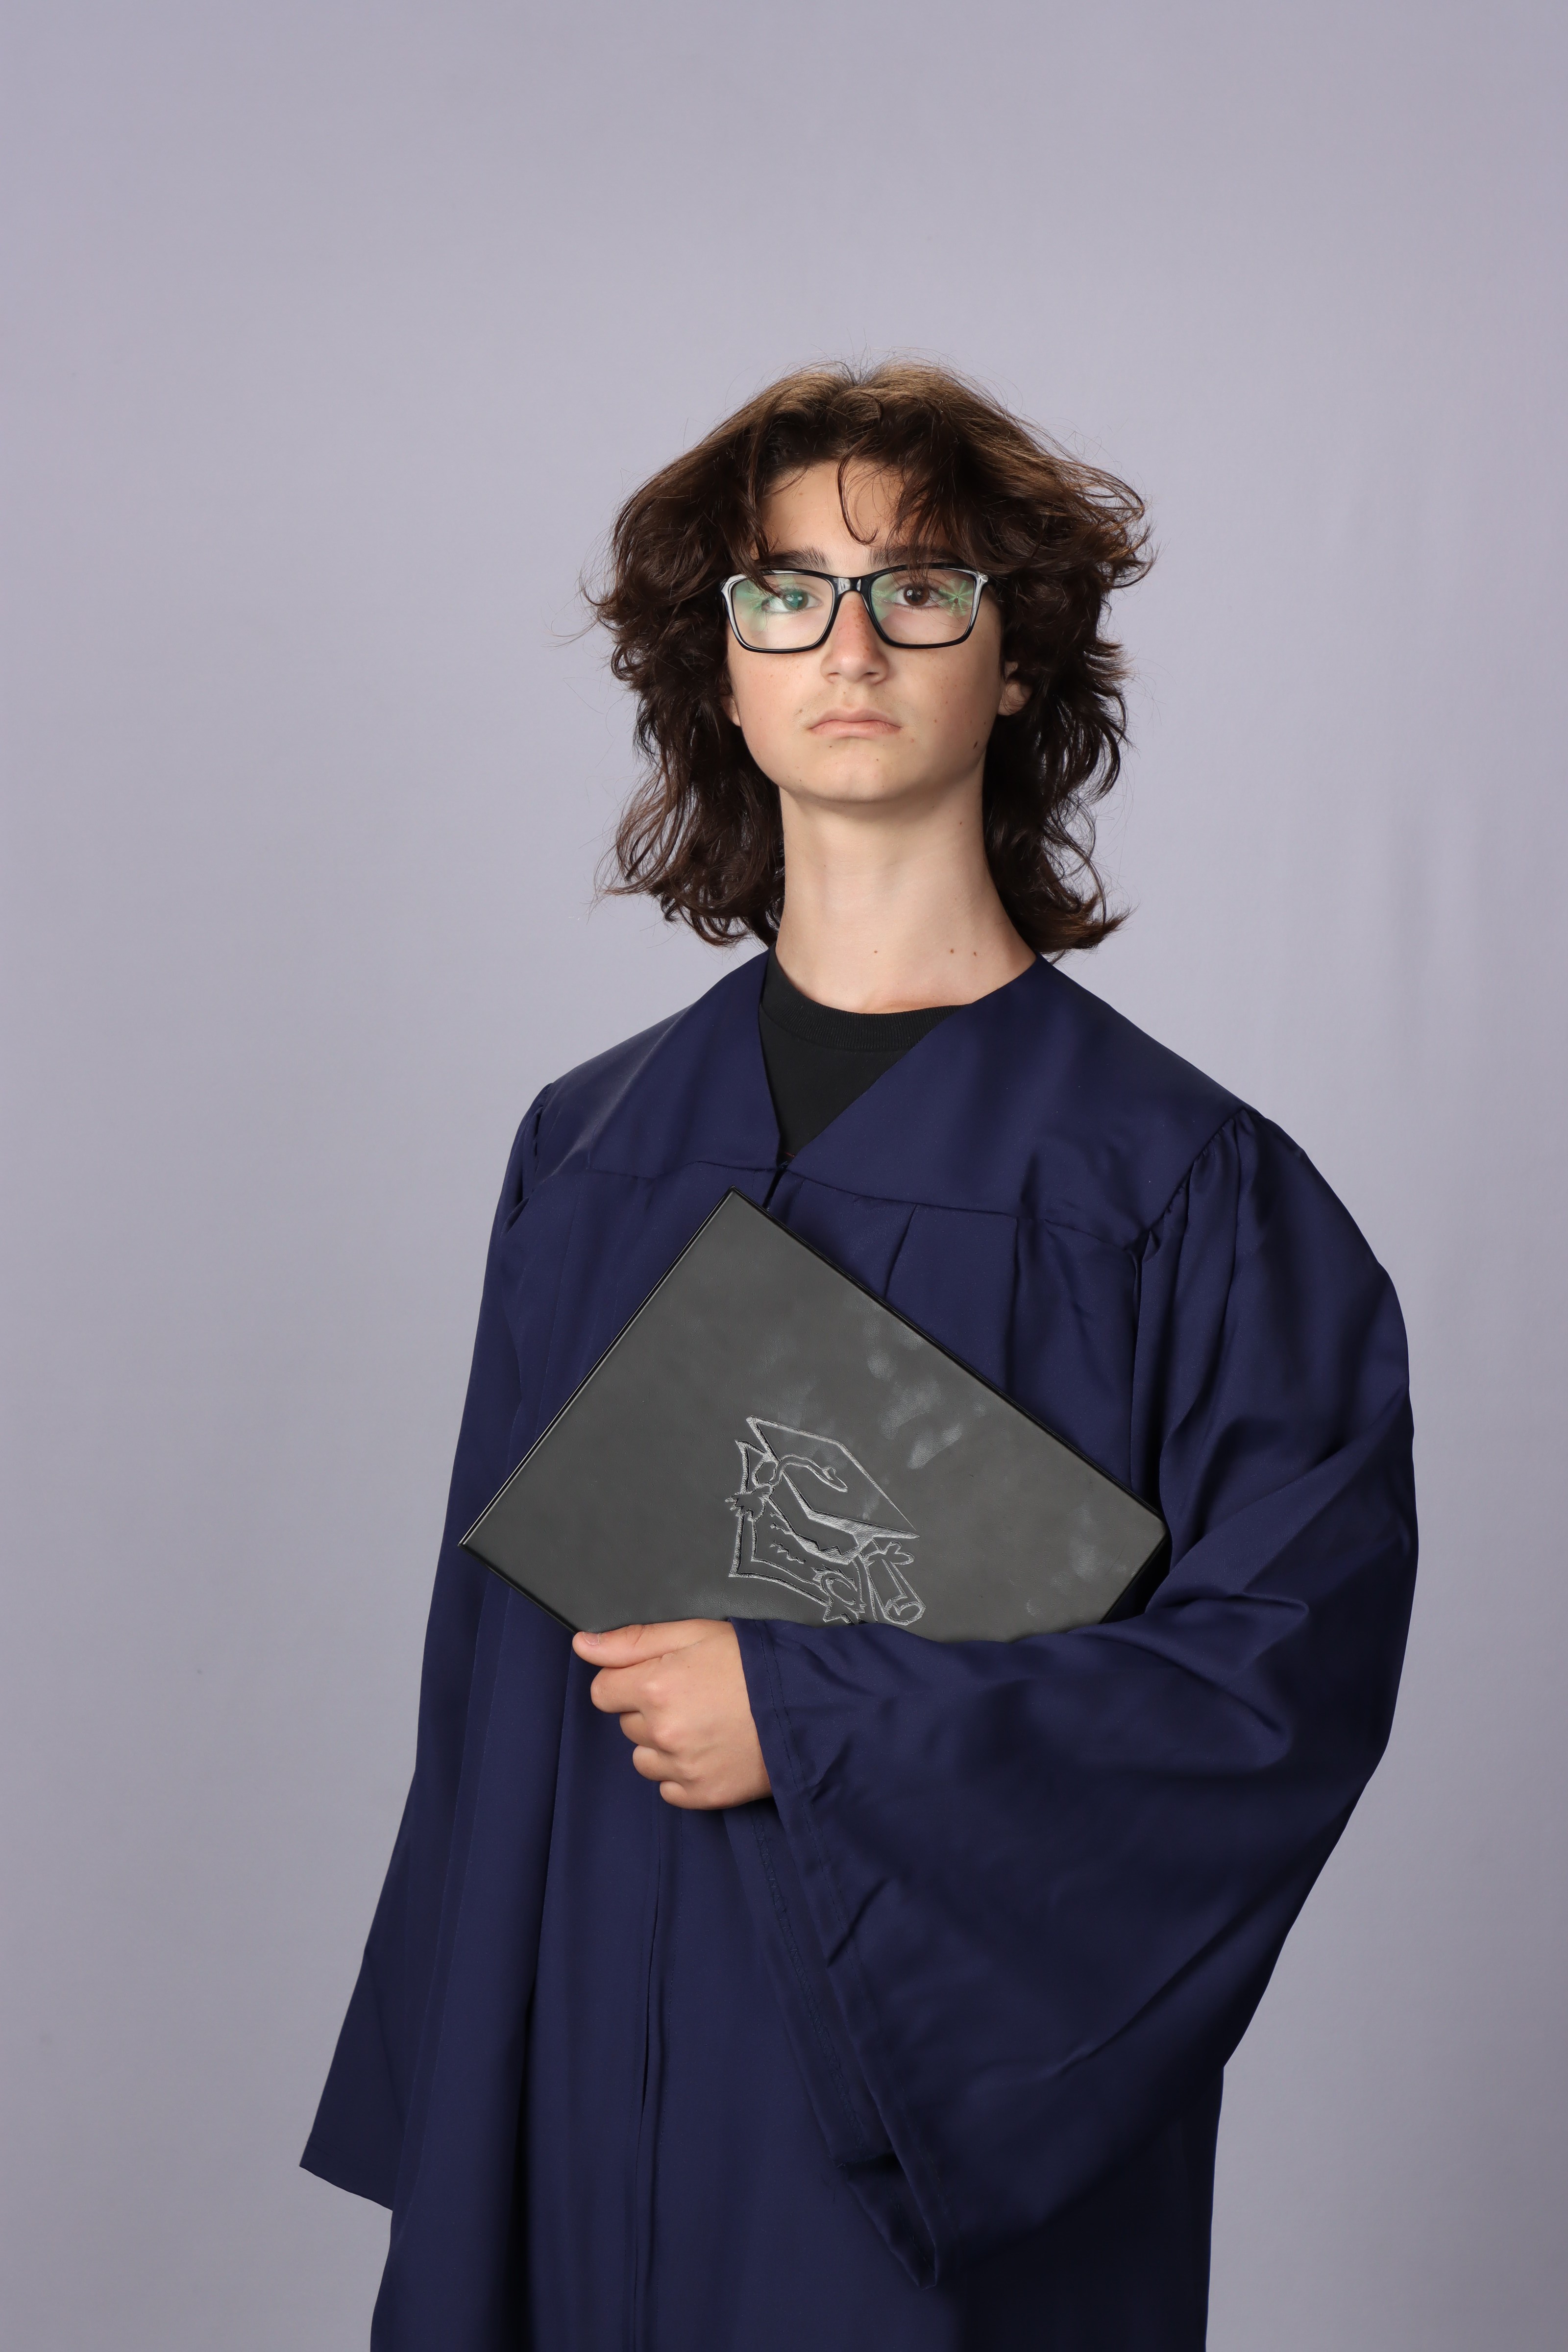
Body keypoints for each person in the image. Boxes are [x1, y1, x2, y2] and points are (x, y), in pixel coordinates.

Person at [303, 362, 1417, 2352]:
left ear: (1015, 661)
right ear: (718, 674)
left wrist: (807, 1720)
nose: (848, 643)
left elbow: (1271, 1696)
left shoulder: (1186, 1189)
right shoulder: (588, 1151)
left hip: (916, 2137)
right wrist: (469, 2120)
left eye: (919, 588)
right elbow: (484, 1703)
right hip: (582, 2049)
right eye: (783, 593)